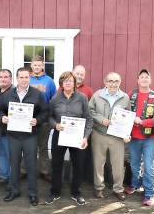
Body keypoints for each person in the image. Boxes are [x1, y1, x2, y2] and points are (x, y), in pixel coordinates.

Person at [0, 67, 48, 206]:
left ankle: (33, 193)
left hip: (30, 136)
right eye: (21, 77)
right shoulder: (8, 94)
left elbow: (45, 112)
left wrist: (37, 120)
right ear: (17, 78)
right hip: (13, 136)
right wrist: (2, 117)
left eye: (26, 77)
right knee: (14, 164)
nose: (24, 80)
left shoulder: (37, 94)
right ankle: (14, 191)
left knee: (31, 165)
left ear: (30, 77)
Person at [44, 71, 93, 206]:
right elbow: (49, 117)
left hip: (77, 137)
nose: (68, 83)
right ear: (61, 83)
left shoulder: (82, 98)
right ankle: (55, 192)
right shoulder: (55, 98)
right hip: (60, 135)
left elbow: (89, 119)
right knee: (56, 164)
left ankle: (76, 193)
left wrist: (85, 137)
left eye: (70, 80)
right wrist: (55, 125)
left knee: (78, 165)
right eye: (65, 81)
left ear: (74, 83)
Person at [124, 69, 154, 206]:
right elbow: (125, 113)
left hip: (149, 138)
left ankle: (149, 193)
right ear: (138, 80)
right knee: (134, 164)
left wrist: (143, 122)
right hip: (134, 137)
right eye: (142, 77)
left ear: (150, 80)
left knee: (148, 166)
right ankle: (135, 184)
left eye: (147, 77)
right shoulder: (132, 94)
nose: (144, 79)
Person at [88, 72, 130, 201]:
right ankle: (99, 188)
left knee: (118, 164)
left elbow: (128, 116)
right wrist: (101, 120)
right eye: (110, 81)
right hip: (99, 133)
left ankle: (118, 189)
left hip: (117, 136)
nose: (113, 84)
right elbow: (90, 111)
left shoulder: (125, 98)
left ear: (120, 82)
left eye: (116, 81)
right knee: (98, 163)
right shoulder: (97, 95)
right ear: (105, 82)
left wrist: (126, 133)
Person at [29, 55, 56, 181]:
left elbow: (53, 99)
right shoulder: (26, 79)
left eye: (39, 65)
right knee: (28, 146)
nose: (37, 67)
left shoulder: (49, 81)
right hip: (28, 119)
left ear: (43, 66)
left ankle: (44, 171)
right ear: (31, 66)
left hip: (44, 119)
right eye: (35, 65)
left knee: (43, 146)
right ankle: (26, 169)